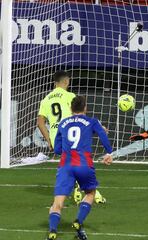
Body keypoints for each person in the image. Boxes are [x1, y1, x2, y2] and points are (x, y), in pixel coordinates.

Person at [46, 96, 113, 240]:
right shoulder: (92, 121)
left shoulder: (63, 123)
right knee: (90, 193)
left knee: (58, 203)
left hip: (65, 166)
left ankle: (52, 231)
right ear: (85, 108)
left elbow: (57, 149)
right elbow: (102, 134)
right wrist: (109, 152)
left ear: (71, 109)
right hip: (84, 164)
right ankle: (78, 221)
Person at [37, 71, 106, 204]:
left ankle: (77, 190)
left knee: (70, 163)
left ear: (54, 83)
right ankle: (91, 192)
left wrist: (49, 140)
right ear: (66, 81)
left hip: (56, 140)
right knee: (82, 162)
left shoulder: (46, 99)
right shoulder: (70, 96)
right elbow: (80, 116)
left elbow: (40, 123)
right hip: (71, 136)